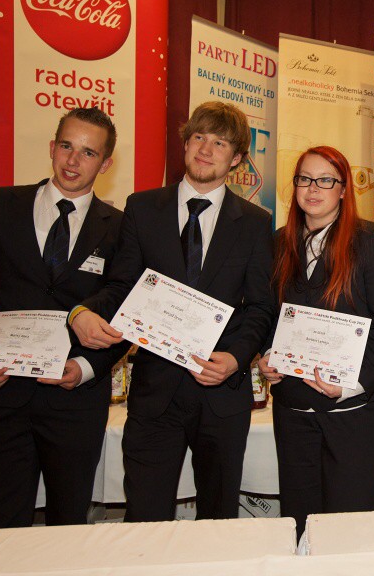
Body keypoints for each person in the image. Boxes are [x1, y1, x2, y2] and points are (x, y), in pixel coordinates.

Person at [70, 101, 275, 521]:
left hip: (221, 394)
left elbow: (260, 306)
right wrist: (81, 312)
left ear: (237, 159)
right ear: (185, 144)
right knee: (144, 519)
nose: (206, 149)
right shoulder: (143, 208)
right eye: (199, 137)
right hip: (155, 393)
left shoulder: (256, 222)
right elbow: (122, 286)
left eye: (220, 143)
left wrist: (236, 358)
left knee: (219, 520)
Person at [0, 107, 125, 529]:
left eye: (88, 153)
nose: (73, 161)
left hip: (75, 402)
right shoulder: (0, 205)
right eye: (66, 146)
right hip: (2, 395)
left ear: (105, 163)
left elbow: (124, 312)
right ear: (51, 147)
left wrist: (85, 368)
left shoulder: (120, 227)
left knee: (66, 528)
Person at [258, 146, 374, 536]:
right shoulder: (278, 243)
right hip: (293, 412)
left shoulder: (369, 240)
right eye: (305, 179)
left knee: (345, 532)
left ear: (343, 189)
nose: (313, 188)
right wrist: (268, 354)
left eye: (326, 180)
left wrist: (350, 384)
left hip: (354, 415)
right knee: (298, 526)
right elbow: (268, 314)